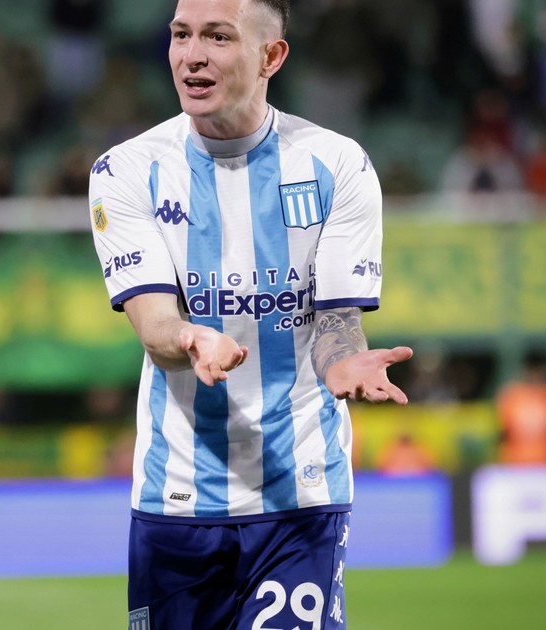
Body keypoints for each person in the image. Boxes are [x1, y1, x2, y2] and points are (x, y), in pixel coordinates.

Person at [88, 1, 413, 628]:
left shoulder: (336, 164)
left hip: (301, 492)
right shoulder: (126, 170)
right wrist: (191, 337)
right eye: (181, 35)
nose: (192, 56)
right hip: (176, 497)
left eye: (218, 37)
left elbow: (337, 323)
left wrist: (344, 362)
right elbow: (155, 328)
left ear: (272, 56)